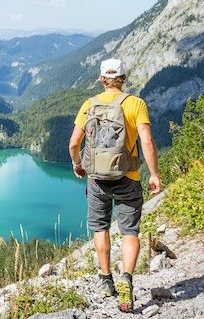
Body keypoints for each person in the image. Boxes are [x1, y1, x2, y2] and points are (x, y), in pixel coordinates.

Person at [68, 58, 162, 313]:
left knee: (101, 227)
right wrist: (154, 174)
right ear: (123, 78)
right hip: (127, 177)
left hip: (97, 178)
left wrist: (78, 165)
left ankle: (106, 279)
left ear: (101, 79)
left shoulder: (89, 105)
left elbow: (74, 144)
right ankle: (127, 278)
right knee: (130, 231)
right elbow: (147, 141)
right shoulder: (135, 104)